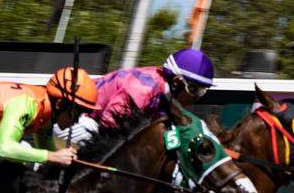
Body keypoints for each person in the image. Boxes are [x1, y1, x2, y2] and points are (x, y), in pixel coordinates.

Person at [55, 48, 216, 145]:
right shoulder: (144, 90)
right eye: (194, 89)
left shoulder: (163, 92)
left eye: (203, 90)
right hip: (74, 119)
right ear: (176, 82)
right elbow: (109, 124)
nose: (197, 97)